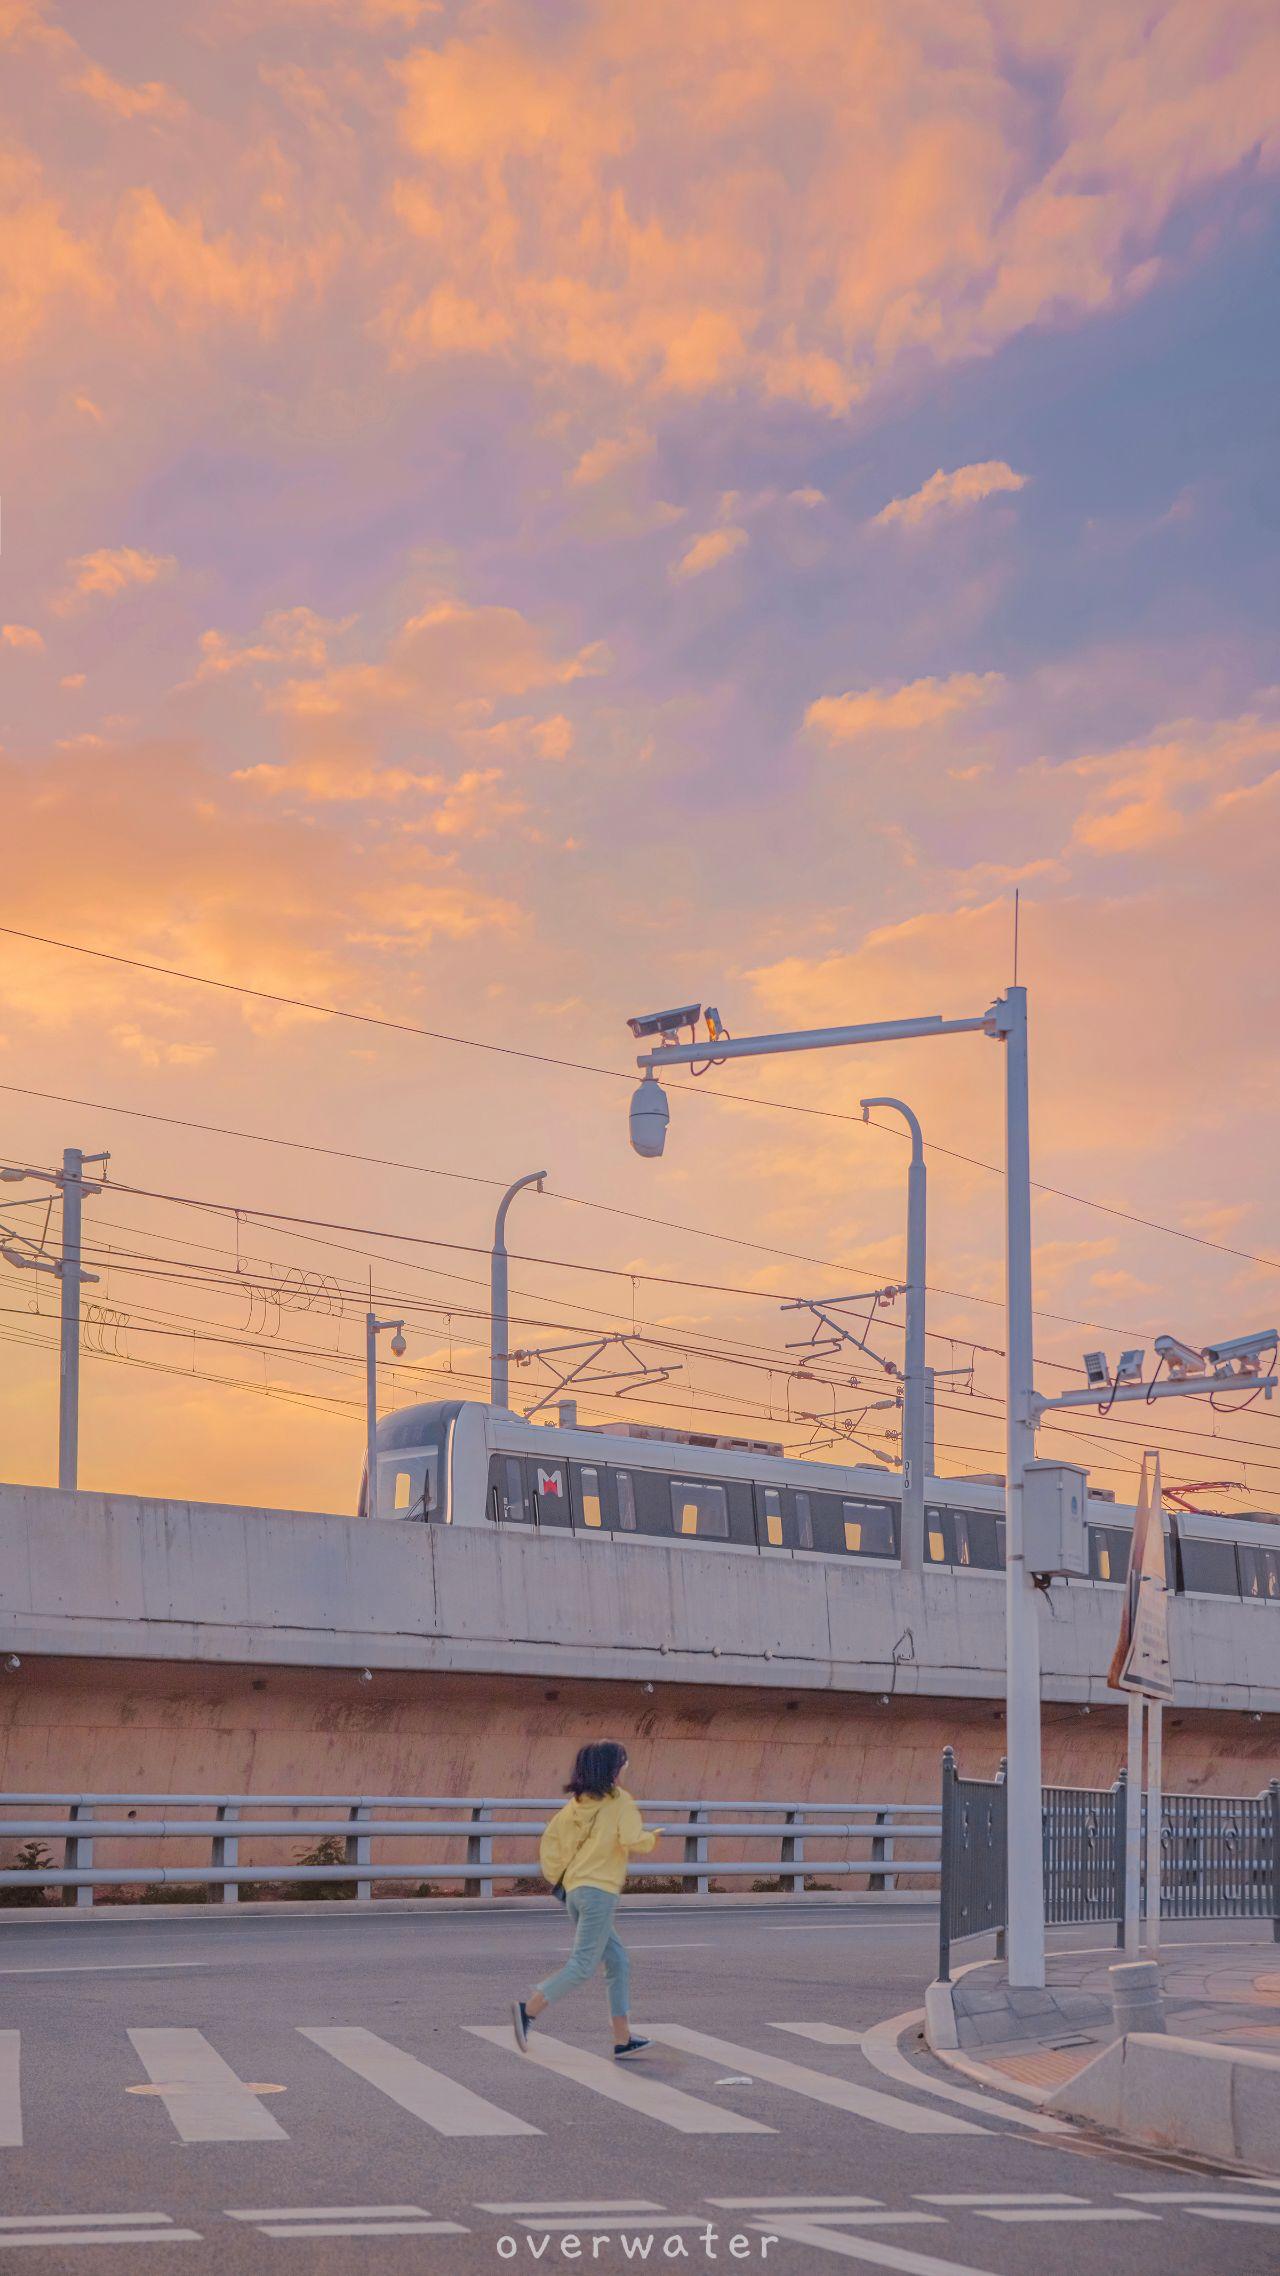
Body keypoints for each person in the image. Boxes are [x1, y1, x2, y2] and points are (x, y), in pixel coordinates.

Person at [511, 1741, 662, 2059]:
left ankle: (622, 2039)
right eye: (623, 1764)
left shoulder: (576, 1804)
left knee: (618, 1961)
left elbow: (551, 1840)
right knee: (581, 1965)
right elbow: (632, 1839)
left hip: (575, 1891)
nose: (624, 1770)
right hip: (599, 1892)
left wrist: (560, 1875)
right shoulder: (620, 1801)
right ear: (612, 1769)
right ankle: (528, 2010)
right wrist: (652, 1838)